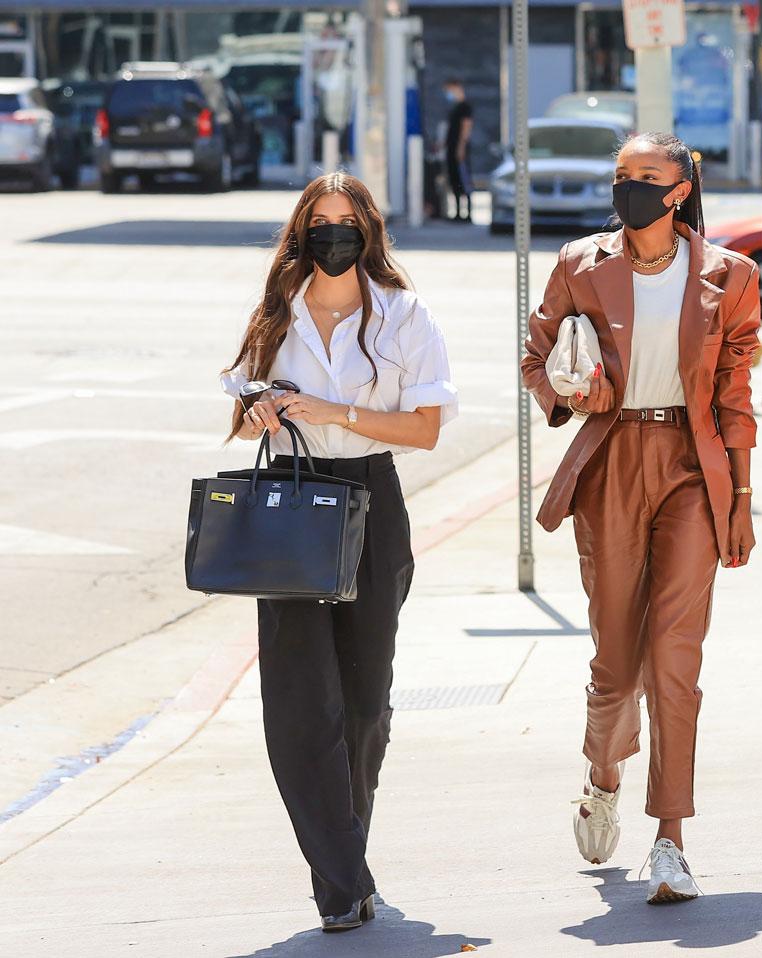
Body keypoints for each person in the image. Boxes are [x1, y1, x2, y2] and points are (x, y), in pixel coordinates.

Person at [520, 132, 759, 904]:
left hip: (692, 468)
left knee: (674, 658)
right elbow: (535, 354)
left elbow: (733, 397)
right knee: (617, 662)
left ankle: (671, 840)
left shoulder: (731, 276)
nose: (629, 188)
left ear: (679, 189)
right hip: (612, 459)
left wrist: (741, 499)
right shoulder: (580, 265)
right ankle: (603, 773)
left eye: (645, 177)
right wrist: (566, 394)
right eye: (621, 176)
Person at [221, 172, 457, 932]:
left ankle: (347, 858)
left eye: (345, 222)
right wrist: (259, 411)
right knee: (298, 704)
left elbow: (425, 428)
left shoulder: (404, 315)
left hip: (370, 505)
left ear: (368, 232)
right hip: (293, 503)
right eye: (319, 223)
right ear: (301, 233)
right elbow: (241, 417)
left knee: (364, 704)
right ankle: (339, 883)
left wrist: (337, 411)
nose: (333, 235)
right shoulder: (275, 313)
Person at [443, 78, 474, 222]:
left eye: (449, 90)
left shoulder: (465, 107)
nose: (448, 94)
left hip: (459, 149)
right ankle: (457, 212)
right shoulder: (455, 107)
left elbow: (466, 128)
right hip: (452, 148)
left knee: (464, 180)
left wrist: (461, 147)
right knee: (455, 180)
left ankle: (467, 213)